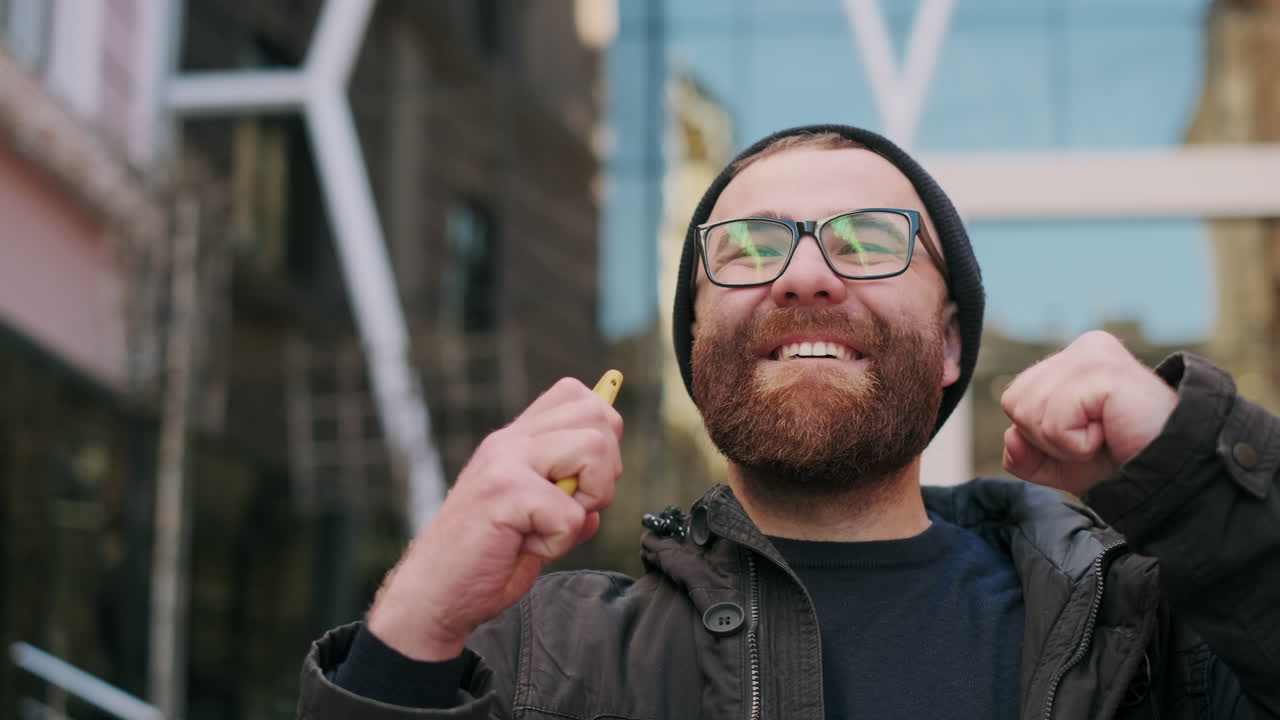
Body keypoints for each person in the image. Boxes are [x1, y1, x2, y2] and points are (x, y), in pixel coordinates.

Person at [296, 125, 1280, 719]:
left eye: (868, 240)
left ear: (950, 345)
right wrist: (419, 617)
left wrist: (1198, 466)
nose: (805, 273)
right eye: (751, 247)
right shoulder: (538, 661)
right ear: (696, 341)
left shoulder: (1142, 637)